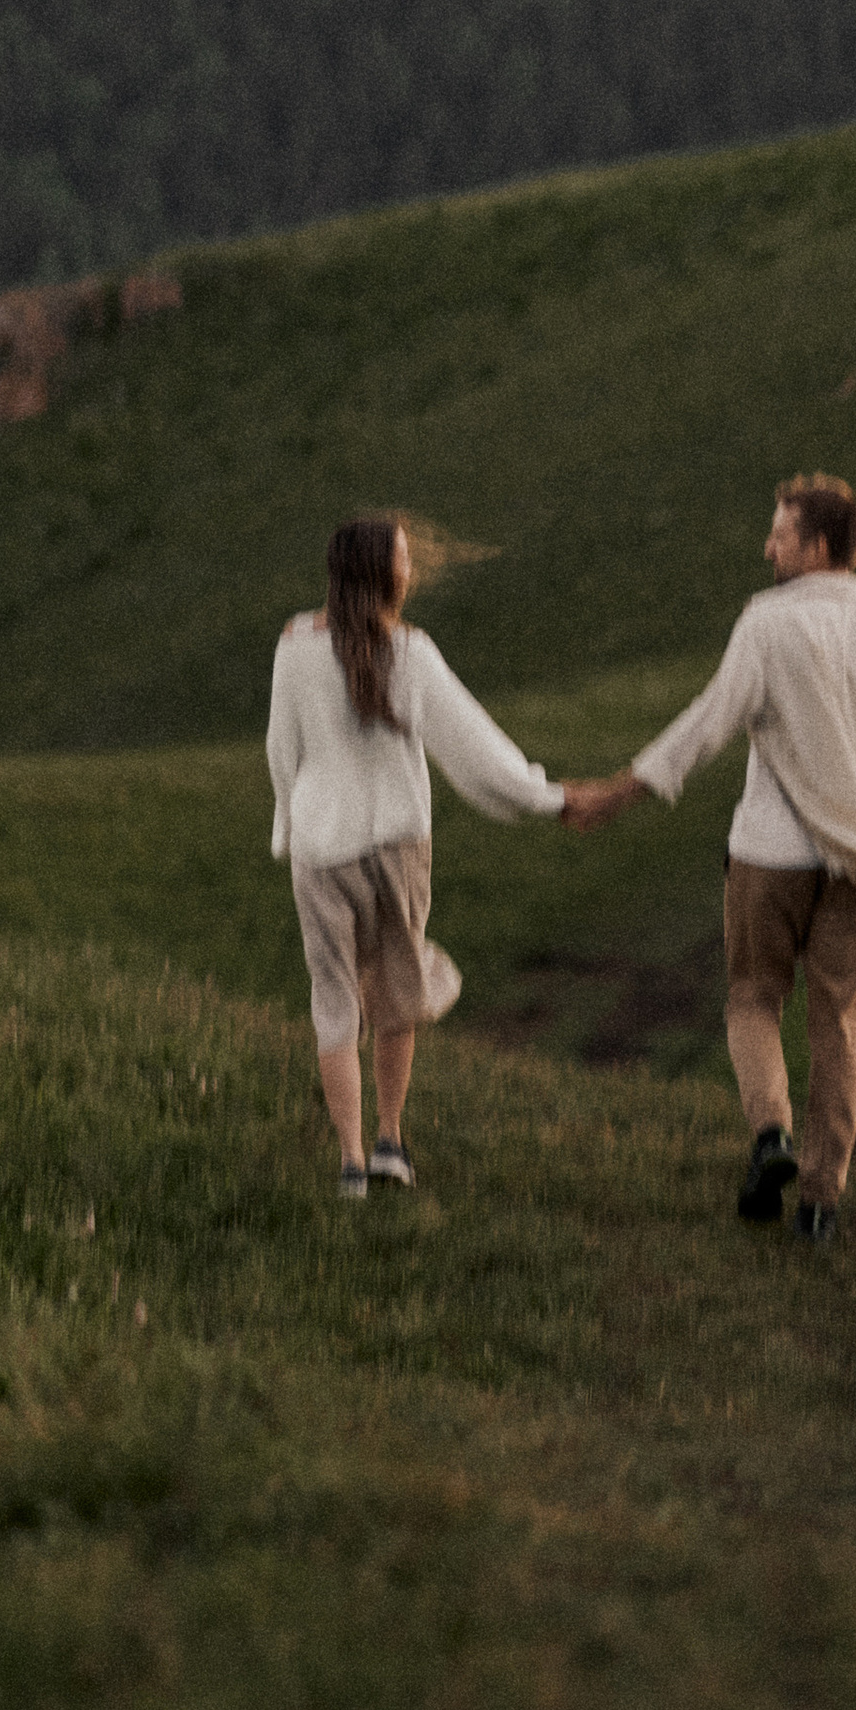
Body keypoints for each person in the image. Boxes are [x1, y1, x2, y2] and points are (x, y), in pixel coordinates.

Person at [564, 473, 856, 1246]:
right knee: (839, 1023)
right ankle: (820, 1202)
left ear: (817, 545)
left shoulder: (768, 621)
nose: (767, 548)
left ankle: (771, 1132)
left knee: (752, 998)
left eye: (779, 535)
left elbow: (707, 723)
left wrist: (618, 792)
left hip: (769, 852)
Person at [267, 509, 566, 1200]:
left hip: (320, 848)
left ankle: (349, 1164)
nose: (411, 567)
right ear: (382, 573)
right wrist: (546, 797)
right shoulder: (411, 651)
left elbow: (282, 752)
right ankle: (389, 1142)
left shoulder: (294, 646)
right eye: (403, 557)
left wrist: (288, 824)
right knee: (398, 991)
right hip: (398, 845)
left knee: (335, 998)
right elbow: (476, 745)